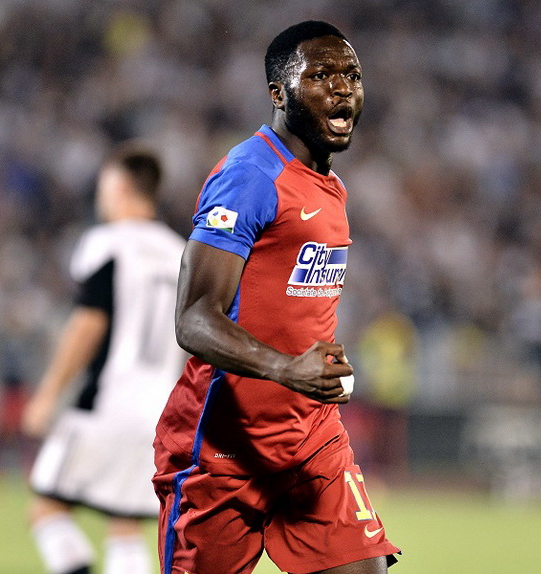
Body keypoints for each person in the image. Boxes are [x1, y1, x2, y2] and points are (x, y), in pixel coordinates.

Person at [153, 20, 400, 574]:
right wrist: (286, 368)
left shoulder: (331, 187)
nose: (342, 88)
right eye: (321, 75)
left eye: (352, 75)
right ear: (279, 93)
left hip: (311, 439)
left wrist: (311, 370)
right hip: (222, 450)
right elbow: (193, 318)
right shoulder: (249, 176)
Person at [22, 143, 187, 574]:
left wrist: (48, 393)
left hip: (106, 402)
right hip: (156, 413)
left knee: (46, 509)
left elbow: (88, 323)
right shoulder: (180, 254)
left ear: (118, 186)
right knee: (125, 525)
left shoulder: (107, 242)